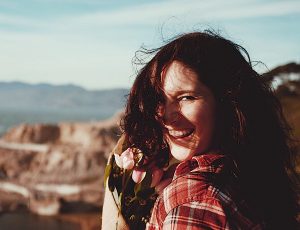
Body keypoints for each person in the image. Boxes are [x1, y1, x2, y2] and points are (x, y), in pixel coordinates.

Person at [102, 31, 299, 229]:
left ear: (227, 102)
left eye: (186, 97)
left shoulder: (194, 203)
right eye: (159, 100)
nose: (167, 116)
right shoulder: (250, 175)